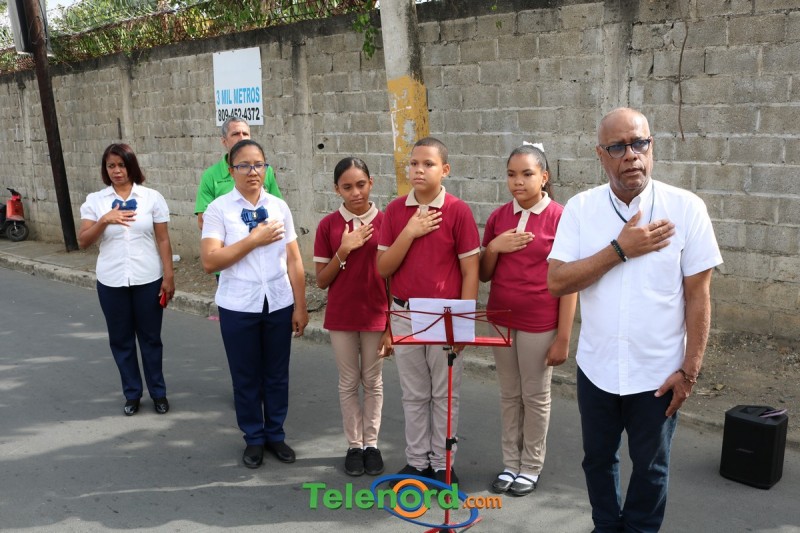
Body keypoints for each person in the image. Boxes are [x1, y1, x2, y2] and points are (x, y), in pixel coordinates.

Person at [547, 107, 723, 532]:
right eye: (618, 147)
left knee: (651, 468)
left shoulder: (686, 208)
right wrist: (619, 250)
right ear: (600, 154)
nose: (631, 155)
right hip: (597, 369)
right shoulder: (581, 209)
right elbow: (557, 281)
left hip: (657, 375)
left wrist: (690, 371)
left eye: (640, 143)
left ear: (651, 147)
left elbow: (698, 296)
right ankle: (606, 526)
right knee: (597, 460)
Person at [377, 137, 480, 486]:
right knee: (414, 394)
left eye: (428, 164)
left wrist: (463, 323)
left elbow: (470, 271)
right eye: (414, 163)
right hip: (404, 313)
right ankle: (417, 462)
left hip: (444, 316)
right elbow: (383, 268)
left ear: (445, 170)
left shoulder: (458, 211)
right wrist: (409, 231)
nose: (418, 170)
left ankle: (442, 464)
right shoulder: (395, 211)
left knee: (445, 393)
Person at [200, 139, 308, 469]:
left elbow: (294, 259)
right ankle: (254, 437)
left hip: (277, 302)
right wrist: (253, 239)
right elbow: (210, 261)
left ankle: (275, 433)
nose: (252, 172)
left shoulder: (279, 207)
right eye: (244, 165)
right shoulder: (218, 209)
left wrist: (300, 306)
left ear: (266, 168)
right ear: (231, 170)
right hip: (238, 305)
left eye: (259, 164)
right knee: (246, 376)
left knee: (276, 374)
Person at [479, 143, 577, 497]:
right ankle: (510, 462)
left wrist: (563, 337)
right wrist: (495, 247)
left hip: (540, 321)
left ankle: (531, 466)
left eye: (527, 174)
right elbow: (484, 274)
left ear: (544, 177)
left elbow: (569, 283)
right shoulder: (498, 217)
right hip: (501, 318)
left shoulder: (561, 217)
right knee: (509, 393)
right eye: (511, 174)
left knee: (535, 395)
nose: (517, 181)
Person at [78, 143, 175, 417]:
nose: (117, 171)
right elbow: (83, 241)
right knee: (121, 340)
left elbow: (163, 239)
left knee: (151, 339)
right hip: (111, 281)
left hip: (148, 278)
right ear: (105, 169)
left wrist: (169, 275)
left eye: (121, 165)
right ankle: (132, 393)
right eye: (111, 166)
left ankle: (158, 393)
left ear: (131, 166)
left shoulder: (151, 198)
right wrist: (104, 220)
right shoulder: (95, 200)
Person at [313, 157, 392, 477]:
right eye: (347, 187)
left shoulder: (387, 222)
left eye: (361, 184)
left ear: (371, 182)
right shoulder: (328, 226)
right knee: (348, 382)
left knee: (373, 381)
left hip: (377, 315)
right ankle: (354, 446)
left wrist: (391, 325)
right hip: (342, 316)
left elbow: (394, 279)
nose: (356, 192)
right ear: (337, 190)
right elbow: (321, 280)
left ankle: (371, 444)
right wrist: (344, 249)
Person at [195, 117, 281, 231]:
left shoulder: (265, 170)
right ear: (224, 141)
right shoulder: (211, 175)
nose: (241, 138)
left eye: (245, 134)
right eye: (235, 134)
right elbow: (203, 222)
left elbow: (278, 209)